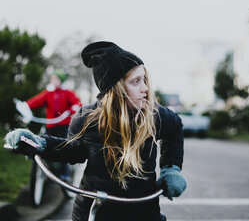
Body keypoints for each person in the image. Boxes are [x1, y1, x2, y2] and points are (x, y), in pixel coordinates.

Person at [5, 41, 187, 221]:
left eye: (144, 79)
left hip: (144, 211)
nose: (145, 88)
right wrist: (41, 144)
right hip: (95, 211)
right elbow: (73, 150)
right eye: (136, 81)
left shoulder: (153, 114)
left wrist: (171, 169)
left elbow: (175, 128)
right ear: (116, 88)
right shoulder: (88, 118)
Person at [20, 69, 82, 180]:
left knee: (64, 147)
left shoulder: (67, 93)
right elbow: (37, 100)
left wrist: (73, 108)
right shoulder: (48, 93)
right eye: (53, 79)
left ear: (61, 81)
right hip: (51, 125)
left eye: (57, 79)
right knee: (44, 144)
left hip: (63, 125)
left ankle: (65, 174)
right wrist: (25, 106)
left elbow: (77, 102)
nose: (54, 81)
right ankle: (46, 168)